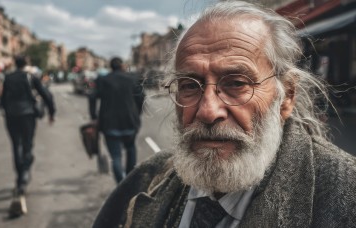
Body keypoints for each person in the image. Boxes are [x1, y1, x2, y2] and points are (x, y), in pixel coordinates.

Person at [93, 1, 356, 227]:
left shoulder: (345, 196)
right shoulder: (149, 178)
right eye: (188, 85)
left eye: (236, 83)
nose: (208, 111)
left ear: (286, 96)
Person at [0, 55, 56, 196]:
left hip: (11, 115)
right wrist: (51, 112)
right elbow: (46, 95)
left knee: (15, 146)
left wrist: (6, 109)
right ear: (26, 63)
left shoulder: (8, 77)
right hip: (27, 115)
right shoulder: (31, 77)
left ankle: (20, 178)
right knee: (27, 145)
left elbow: (2, 100)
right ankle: (25, 173)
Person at [89, 57, 144, 183]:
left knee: (116, 156)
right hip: (130, 122)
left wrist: (93, 117)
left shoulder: (103, 80)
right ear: (122, 66)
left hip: (109, 124)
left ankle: (121, 184)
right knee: (131, 150)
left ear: (111, 67)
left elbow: (92, 97)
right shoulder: (131, 79)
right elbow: (141, 98)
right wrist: (137, 114)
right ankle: (128, 181)